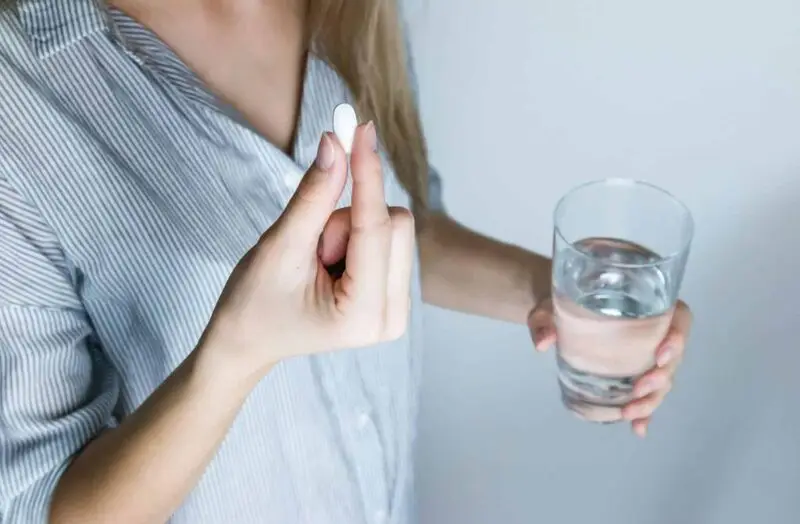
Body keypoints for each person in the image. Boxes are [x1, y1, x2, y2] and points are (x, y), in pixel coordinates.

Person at [0, 1, 693, 523]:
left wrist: (550, 292)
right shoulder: (21, 90)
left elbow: (395, 230)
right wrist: (236, 353)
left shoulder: (353, 12)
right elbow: (41, 504)